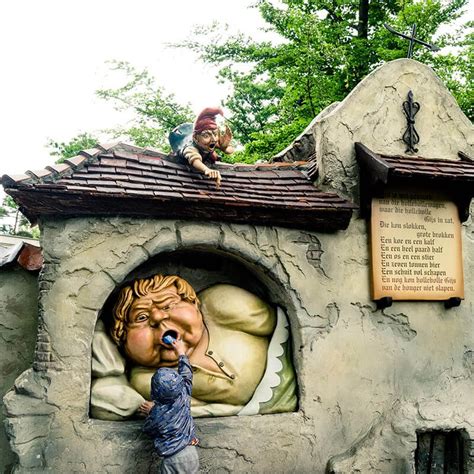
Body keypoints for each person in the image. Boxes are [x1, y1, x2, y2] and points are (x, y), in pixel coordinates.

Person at [142, 338, 199, 474]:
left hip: (172, 458)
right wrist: (180, 351)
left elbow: (148, 429)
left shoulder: (157, 415)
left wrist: (151, 411)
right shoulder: (184, 394)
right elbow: (187, 373)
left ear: (154, 392)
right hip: (191, 453)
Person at [169, 107, 234, 187]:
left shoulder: (211, 142)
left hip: (204, 151)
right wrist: (207, 170)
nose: (213, 139)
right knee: (211, 155)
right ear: (196, 138)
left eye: (215, 134)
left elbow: (230, 150)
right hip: (184, 148)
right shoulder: (190, 147)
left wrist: (224, 147)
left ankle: (211, 153)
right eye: (206, 135)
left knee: (213, 155)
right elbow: (194, 159)